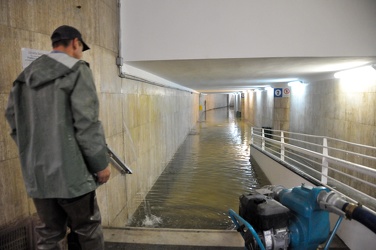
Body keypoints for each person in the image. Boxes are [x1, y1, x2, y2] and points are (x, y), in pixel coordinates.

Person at [5, 25, 111, 250]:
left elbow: (14, 123)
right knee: (87, 229)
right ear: (75, 43)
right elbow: (87, 124)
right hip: (72, 176)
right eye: (81, 48)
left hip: (38, 176)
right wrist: (101, 164)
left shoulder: (23, 78)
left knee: (49, 234)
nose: (81, 54)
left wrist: (33, 154)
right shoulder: (77, 70)